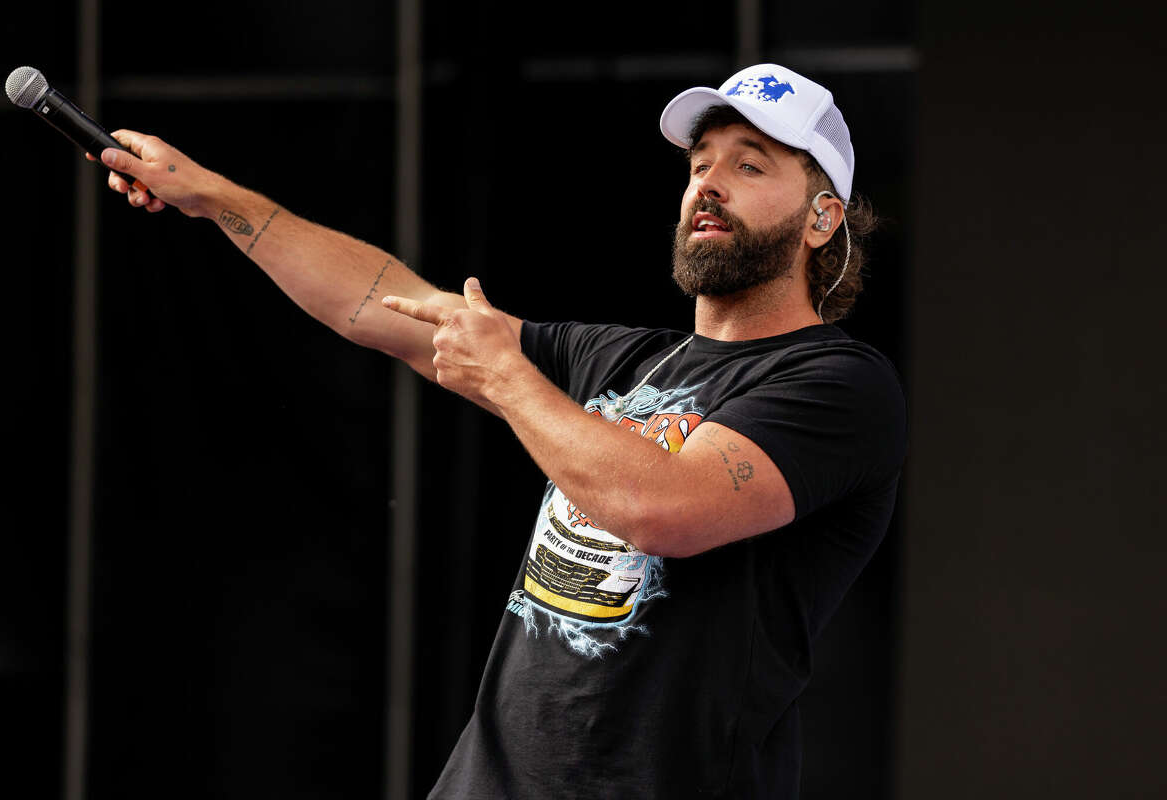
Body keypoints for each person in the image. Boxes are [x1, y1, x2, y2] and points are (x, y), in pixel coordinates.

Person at [95, 63, 906, 799]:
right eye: (700, 165)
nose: (709, 185)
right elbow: (382, 304)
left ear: (822, 219)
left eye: (750, 164)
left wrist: (510, 377)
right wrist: (212, 197)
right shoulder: (623, 360)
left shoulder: (837, 384)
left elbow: (664, 508)